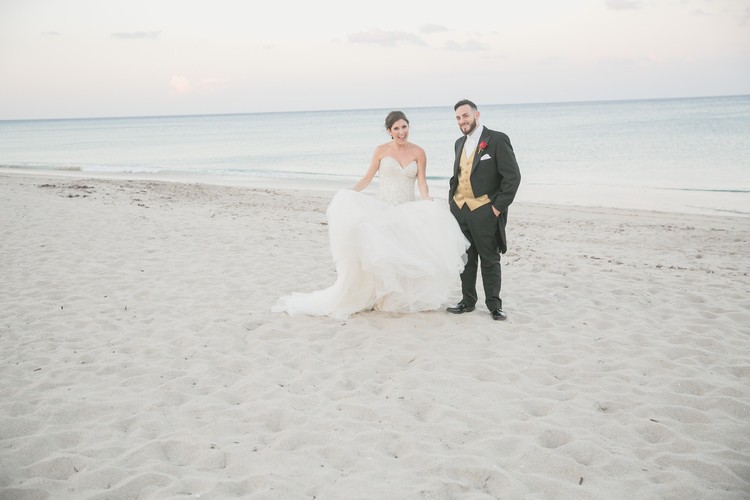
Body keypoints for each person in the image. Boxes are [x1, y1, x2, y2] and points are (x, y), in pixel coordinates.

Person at [272, 111, 469, 320]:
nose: (401, 132)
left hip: (406, 209)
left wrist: (427, 198)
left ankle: (394, 297)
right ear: (389, 131)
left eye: (404, 127)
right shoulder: (381, 151)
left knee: (402, 253)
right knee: (382, 255)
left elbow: (421, 182)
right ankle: (377, 295)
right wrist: (349, 193)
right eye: (396, 128)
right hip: (382, 209)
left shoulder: (419, 152)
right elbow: (367, 178)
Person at [446, 99, 521, 321]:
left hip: (485, 210)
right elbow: (457, 176)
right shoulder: (459, 143)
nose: (462, 121)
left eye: (465, 116)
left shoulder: (497, 139)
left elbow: (513, 177)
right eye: (458, 118)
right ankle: (467, 301)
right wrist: (452, 202)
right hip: (460, 209)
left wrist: (497, 208)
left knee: (489, 259)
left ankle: (494, 306)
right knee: (466, 260)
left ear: (476, 115)